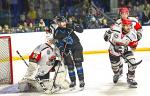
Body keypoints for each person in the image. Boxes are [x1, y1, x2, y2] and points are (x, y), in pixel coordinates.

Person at [51, 16, 85, 89]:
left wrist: (74, 26)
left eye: (63, 21)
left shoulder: (70, 25)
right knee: (70, 66)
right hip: (66, 49)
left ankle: (81, 80)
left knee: (78, 64)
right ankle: (73, 81)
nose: (62, 23)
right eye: (60, 22)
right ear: (58, 23)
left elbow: (81, 30)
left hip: (76, 46)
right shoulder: (57, 32)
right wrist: (61, 48)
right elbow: (58, 42)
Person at [107, 19, 140, 88]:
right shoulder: (115, 29)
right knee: (115, 68)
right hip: (113, 51)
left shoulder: (133, 35)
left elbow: (134, 48)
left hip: (126, 50)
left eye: (130, 25)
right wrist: (107, 35)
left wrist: (125, 48)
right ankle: (117, 73)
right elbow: (106, 37)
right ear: (122, 25)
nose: (129, 27)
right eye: (126, 26)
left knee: (133, 63)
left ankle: (130, 78)